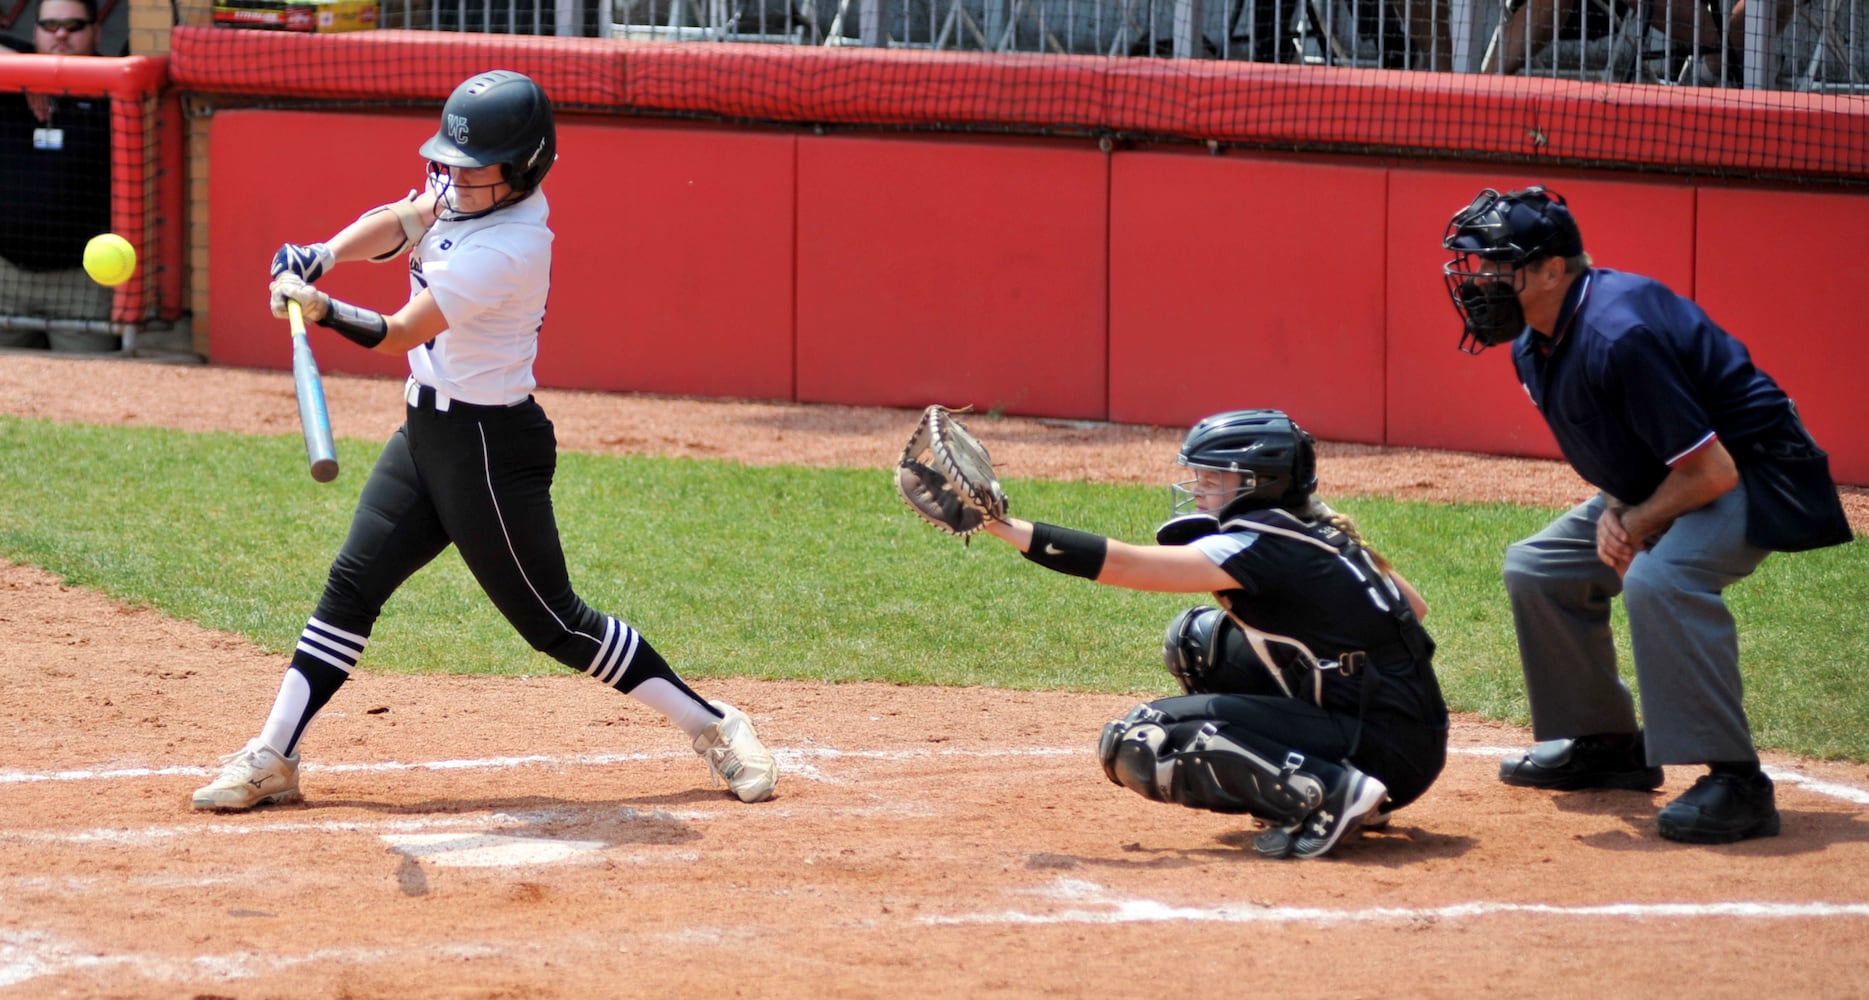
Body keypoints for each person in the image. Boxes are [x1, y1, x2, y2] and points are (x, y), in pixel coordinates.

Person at [190, 70, 777, 811]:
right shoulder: (464, 187)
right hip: (426, 430)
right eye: (450, 164)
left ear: (523, 168)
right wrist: (323, 253)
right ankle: (274, 754)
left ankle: (716, 724)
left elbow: (401, 330)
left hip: (489, 446)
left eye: (474, 169)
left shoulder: (512, 247)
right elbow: (405, 218)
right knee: (352, 586)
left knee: (555, 624)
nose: (453, 181)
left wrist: (321, 305)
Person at [1441, 185, 1851, 844]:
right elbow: (1621, 446)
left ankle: (1739, 783)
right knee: (1538, 567)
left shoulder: (1615, 331)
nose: (1480, 280)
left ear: (1551, 270)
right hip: (1679, 476)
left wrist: (1633, 524)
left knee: (1662, 579)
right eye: (1478, 265)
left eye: (1496, 266)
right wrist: (1614, 505)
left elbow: (1712, 471)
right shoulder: (1534, 342)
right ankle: (1608, 745)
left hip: (1756, 467)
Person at [976, 409, 1448, 860]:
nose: (1197, 488)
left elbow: (1124, 564)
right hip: (1404, 730)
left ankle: (1330, 793)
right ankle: (1336, 779)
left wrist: (1001, 526)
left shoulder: (1256, 545)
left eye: (1212, 477)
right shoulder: (1313, 527)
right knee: (1197, 643)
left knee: (1138, 740)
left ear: (1256, 482)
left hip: (1383, 749)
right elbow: (1416, 609)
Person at [0, 0, 114, 343]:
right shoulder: (11, 78)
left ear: (97, 31)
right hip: (8, 277)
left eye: (74, 26)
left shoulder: (113, 89)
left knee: (91, 389)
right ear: (33, 31)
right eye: (49, 25)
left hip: (84, 282)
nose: (61, 34)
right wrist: (27, 73)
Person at [1482, 0, 1722, 78]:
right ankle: (1480, 95)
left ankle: (1713, 69)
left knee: (1730, 35)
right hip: (1540, 11)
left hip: (1604, 11)